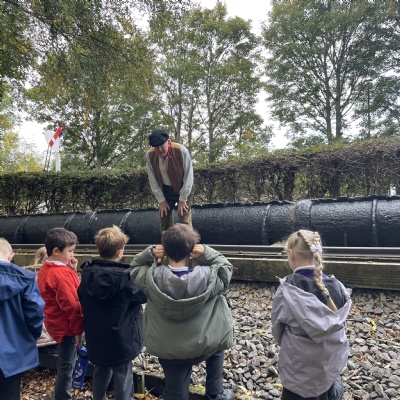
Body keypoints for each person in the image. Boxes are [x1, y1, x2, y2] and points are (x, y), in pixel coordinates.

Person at [130, 223, 234, 400]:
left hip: (169, 350)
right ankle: (215, 393)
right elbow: (226, 268)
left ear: (165, 250)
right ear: (192, 250)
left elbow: (134, 267)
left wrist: (151, 252)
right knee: (218, 347)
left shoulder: (151, 278)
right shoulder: (209, 276)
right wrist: (206, 252)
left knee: (175, 390)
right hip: (204, 346)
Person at [271, 230, 352, 400]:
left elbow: (277, 330)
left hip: (298, 368)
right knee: (326, 388)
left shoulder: (288, 289)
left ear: (291, 254)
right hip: (329, 364)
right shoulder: (338, 286)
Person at [77, 225, 147, 400]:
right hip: (121, 341)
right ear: (120, 252)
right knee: (123, 375)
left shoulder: (87, 274)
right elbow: (143, 296)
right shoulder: (126, 279)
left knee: (101, 369)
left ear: (98, 249)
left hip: (96, 338)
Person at [37, 227, 84, 400]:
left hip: (56, 323)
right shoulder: (60, 274)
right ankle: (63, 396)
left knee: (66, 362)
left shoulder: (46, 269)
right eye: (70, 251)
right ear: (56, 251)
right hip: (68, 327)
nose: (72, 255)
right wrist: (78, 331)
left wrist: (72, 270)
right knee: (67, 365)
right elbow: (72, 304)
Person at [0, 238, 45, 400]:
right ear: (11, 256)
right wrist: (32, 335)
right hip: (13, 351)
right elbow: (35, 313)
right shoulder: (25, 279)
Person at [146, 129, 194, 232]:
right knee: (164, 220)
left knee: (184, 222)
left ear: (168, 142)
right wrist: (161, 200)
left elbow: (189, 176)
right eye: (156, 147)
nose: (159, 150)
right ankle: (167, 241)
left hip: (183, 187)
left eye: (162, 146)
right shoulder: (149, 155)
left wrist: (183, 198)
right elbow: (152, 179)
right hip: (165, 190)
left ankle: (187, 241)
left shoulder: (182, 151)